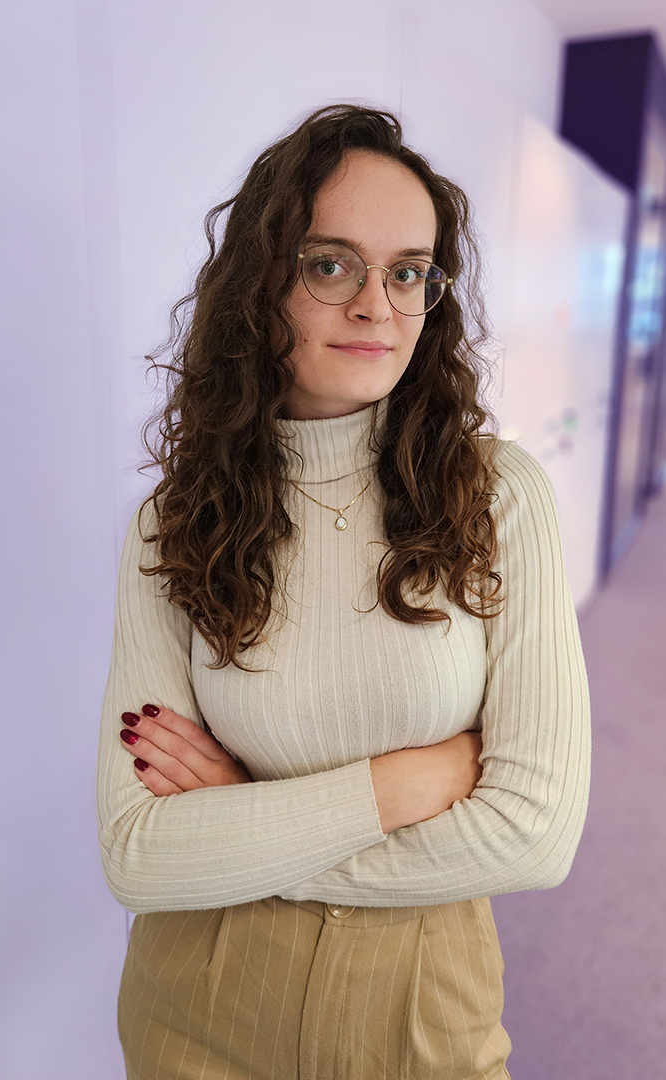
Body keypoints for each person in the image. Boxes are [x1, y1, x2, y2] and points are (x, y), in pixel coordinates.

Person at [97, 104, 590, 1080]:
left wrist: (244, 820)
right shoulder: (173, 522)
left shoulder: (496, 497)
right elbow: (138, 856)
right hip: (195, 1012)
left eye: (407, 270)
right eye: (329, 264)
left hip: (417, 1017)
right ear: (258, 283)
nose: (377, 304)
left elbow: (535, 836)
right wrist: (402, 784)